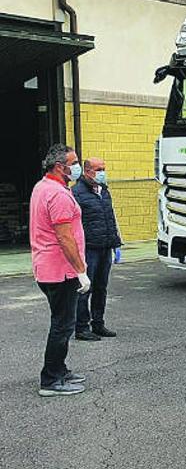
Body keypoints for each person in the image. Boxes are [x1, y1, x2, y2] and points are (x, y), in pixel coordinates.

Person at [30, 144, 91, 397]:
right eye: (73, 162)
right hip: (60, 271)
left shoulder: (42, 187)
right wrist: (81, 271)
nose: (76, 167)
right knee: (63, 324)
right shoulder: (58, 195)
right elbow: (65, 238)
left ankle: (60, 369)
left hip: (46, 267)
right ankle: (51, 379)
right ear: (60, 167)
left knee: (63, 321)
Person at [72, 157, 122, 341]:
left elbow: (110, 218)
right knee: (86, 288)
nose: (102, 172)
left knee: (101, 287)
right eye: (98, 169)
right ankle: (81, 327)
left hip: (105, 246)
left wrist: (116, 243)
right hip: (89, 249)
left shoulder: (104, 190)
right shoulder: (77, 193)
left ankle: (98, 323)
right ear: (87, 171)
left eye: (104, 168)